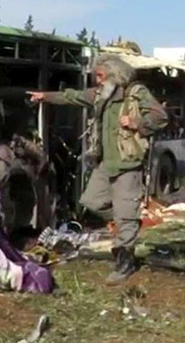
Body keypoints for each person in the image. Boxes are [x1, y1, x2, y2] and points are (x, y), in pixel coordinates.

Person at [28, 54, 168, 283]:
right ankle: (128, 223)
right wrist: (44, 97)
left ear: (114, 74)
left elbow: (160, 117)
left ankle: (125, 259)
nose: (98, 80)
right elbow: (73, 96)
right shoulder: (101, 94)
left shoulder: (136, 93)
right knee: (91, 201)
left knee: (124, 214)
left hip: (127, 163)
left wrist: (136, 124)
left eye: (100, 76)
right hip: (106, 163)